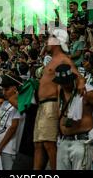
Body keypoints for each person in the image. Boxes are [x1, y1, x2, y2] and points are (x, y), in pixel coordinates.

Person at [34, 29, 85, 170]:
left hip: (51, 104)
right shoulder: (52, 60)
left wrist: (80, 83)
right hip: (42, 105)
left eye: (49, 39)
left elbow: (78, 75)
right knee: (38, 143)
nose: (46, 43)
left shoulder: (63, 59)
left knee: (49, 143)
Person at [55, 64, 93, 170]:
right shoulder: (60, 91)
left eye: (66, 81)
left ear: (72, 79)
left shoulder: (87, 92)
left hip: (81, 142)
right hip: (63, 141)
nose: (64, 85)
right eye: (61, 82)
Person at [0, 76, 23, 170]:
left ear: (16, 89)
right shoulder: (4, 103)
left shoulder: (19, 105)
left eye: (7, 89)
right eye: (3, 89)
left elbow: (13, 128)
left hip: (7, 149)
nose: (4, 92)